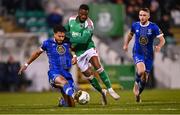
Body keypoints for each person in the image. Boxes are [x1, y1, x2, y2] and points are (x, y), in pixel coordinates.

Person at [64, 4, 120, 105]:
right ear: (79, 12)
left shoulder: (89, 24)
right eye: (82, 14)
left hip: (88, 48)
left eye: (86, 15)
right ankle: (102, 92)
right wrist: (66, 38)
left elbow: (84, 40)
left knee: (97, 65)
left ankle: (110, 89)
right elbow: (65, 31)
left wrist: (69, 39)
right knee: (89, 76)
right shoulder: (71, 19)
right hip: (78, 53)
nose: (84, 17)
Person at [18, 25, 82, 107]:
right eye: (59, 36)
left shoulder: (67, 42)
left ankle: (63, 102)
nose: (61, 38)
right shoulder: (47, 43)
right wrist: (26, 64)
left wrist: (75, 57)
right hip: (54, 73)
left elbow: (75, 50)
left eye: (63, 36)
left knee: (71, 105)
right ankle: (74, 95)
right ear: (54, 34)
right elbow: (37, 53)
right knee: (64, 82)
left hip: (66, 73)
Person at [123, 8, 165, 102]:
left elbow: (162, 40)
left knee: (145, 78)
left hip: (149, 55)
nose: (142, 17)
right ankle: (136, 83)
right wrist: (126, 44)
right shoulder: (135, 25)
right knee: (141, 70)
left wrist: (159, 46)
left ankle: (138, 95)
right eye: (140, 15)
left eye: (144, 15)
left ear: (148, 16)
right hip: (138, 52)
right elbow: (130, 34)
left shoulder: (154, 27)